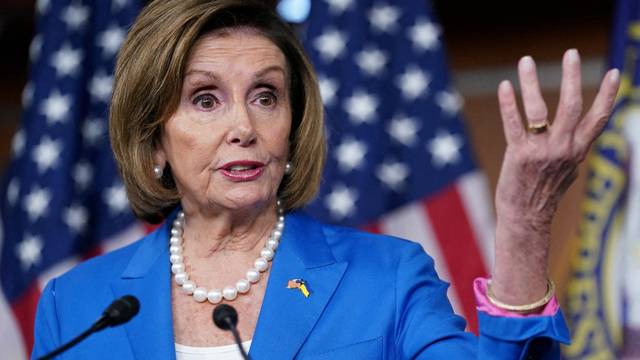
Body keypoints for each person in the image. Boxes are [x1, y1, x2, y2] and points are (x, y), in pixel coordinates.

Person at [31, 0, 620, 359]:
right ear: (154, 137)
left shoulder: (387, 278)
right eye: (205, 100)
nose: (245, 125)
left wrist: (524, 220)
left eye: (266, 96)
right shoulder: (77, 303)